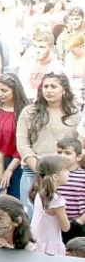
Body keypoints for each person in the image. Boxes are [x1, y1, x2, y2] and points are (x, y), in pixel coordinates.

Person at [15, 72, 82, 216]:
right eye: (45, 86)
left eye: (53, 86)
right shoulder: (29, 112)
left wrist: (62, 171)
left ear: (64, 90)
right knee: (33, 218)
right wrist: (40, 170)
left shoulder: (75, 115)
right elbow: (22, 143)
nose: (48, 90)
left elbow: (77, 145)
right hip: (32, 172)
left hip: (64, 174)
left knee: (61, 219)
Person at [30, 154, 72, 256]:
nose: (69, 172)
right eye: (65, 170)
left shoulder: (39, 193)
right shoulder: (56, 199)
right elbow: (65, 227)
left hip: (36, 240)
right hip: (50, 244)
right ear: (55, 176)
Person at [56, 137, 85, 243]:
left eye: (67, 153)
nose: (62, 156)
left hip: (77, 224)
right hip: (56, 224)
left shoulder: (83, 176)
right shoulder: (53, 175)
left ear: (78, 157)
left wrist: (80, 221)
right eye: (59, 152)